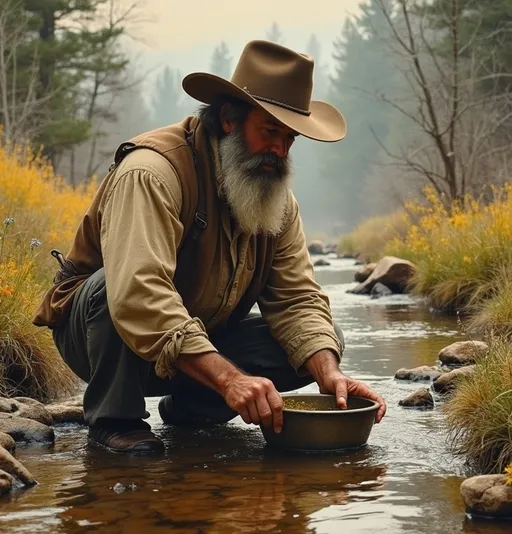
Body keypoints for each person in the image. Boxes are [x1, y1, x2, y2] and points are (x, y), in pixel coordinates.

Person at [33, 40, 386, 455]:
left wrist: (330, 375)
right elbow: (137, 293)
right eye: (270, 131)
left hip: (193, 340)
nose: (280, 150)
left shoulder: (277, 201)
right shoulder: (153, 173)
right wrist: (231, 379)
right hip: (100, 336)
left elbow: (298, 301)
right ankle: (115, 419)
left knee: (323, 339)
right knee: (114, 284)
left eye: (290, 138)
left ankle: (193, 407)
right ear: (229, 120)